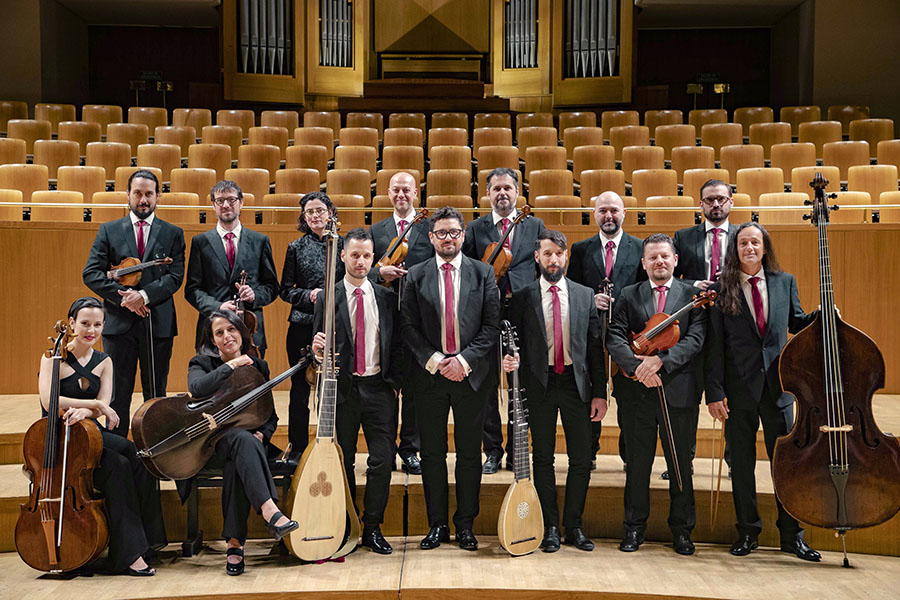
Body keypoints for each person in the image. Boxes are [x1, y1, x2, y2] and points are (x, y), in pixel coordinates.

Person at [705, 222, 821, 562]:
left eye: (755, 242)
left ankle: (792, 535)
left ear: (764, 247)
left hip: (779, 389)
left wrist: (823, 314)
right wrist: (714, 391)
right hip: (738, 391)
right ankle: (748, 531)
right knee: (741, 465)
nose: (749, 248)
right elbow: (714, 346)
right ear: (735, 249)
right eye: (743, 243)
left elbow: (796, 322)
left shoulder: (784, 282)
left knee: (787, 464)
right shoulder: (720, 287)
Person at [37, 297, 166, 575]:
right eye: (84, 323)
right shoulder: (53, 357)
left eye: (97, 324)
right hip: (59, 438)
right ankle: (130, 554)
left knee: (139, 456)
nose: (91, 330)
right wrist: (92, 406)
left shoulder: (104, 360)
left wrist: (89, 412)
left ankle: (148, 541)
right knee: (117, 467)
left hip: (88, 433)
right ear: (71, 324)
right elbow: (50, 401)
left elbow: (104, 402)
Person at [400, 206, 501, 551]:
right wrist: (436, 360)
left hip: (471, 377)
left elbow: (491, 327)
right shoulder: (414, 275)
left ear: (462, 235)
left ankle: (466, 525)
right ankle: (437, 525)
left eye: (454, 232)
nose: (448, 238)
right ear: (431, 237)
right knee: (432, 453)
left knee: (470, 453)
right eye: (441, 233)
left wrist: (464, 361)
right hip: (429, 377)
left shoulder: (483, 272)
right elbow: (408, 327)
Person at [503, 230, 606, 553]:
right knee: (543, 458)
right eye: (547, 253)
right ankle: (549, 526)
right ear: (537, 257)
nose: (553, 259)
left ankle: (573, 525)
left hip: (577, 386)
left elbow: (594, 349)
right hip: (540, 385)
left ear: (566, 257)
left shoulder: (584, 295)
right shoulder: (522, 296)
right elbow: (511, 346)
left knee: (580, 458)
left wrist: (600, 394)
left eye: (558, 254)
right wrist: (511, 367)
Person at [606, 233, 707, 556]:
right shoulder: (628, 293)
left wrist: (660, 362)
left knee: (680, 465)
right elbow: (615, 336)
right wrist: (637, 369)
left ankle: (682, 531)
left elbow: (695, 339)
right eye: (653, 258)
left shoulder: (693, 296)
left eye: (665, 256)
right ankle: (634, 529)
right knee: (637, 465)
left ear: (675, 259)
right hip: (637, 393)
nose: (659, 262)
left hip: (678, 391)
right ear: (644, 263)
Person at [184, 310, 299, 575]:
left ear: (241, 332)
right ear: (212, 340)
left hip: (245, 447)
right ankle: (270, 510)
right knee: (239, 440)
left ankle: (235, 544)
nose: (227, 336)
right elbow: (197, 388)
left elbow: (269, 413)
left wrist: (264, 434)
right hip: (209, 444)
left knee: (241, 448)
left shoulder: (259, 366)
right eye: (219, 333)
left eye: (231, 329)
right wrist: (231, 366)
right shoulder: (200, 362)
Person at [312, 228, 402, 555]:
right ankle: (348, 523)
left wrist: (394, 386)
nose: (361, 261)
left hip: (379, 389)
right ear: (342, 256)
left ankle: (372, 526)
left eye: (366, 256)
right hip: (343, 391)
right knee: (344, 460)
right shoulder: (327, 297)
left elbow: (398, 346)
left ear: (373, 258)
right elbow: (315, 349)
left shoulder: (387, 298)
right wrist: (315, 349)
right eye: (355, 255)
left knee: (382, 459)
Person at [82, 169, 185, 437]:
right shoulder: (109, 230)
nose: (143, 199)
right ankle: (119, 463)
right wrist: (125, 298)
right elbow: (91, 273)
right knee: (118, 396)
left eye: (149, 194)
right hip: (119, 325)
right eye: (137, 193)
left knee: (156, 396)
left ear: (157, 196)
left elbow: (175, 277)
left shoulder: (173, 233)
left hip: (157, 325)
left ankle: (156, 458)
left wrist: (145, 296)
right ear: (127, 195)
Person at [461, 167, 545, 474]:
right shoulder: (474, 228)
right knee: (485, 382)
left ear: (517, 191)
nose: (502, 193)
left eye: (508, 188)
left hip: (522, 309)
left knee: (520, 382)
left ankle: (517, 447)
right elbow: (468, 270)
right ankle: (493, 450)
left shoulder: (534, 224)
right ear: (487, 194)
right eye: (496, 188)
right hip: (486, 311)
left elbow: (539, 268)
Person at [568, 191, 645, 470]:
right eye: (602, 211)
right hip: (591, 334)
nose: (608, 216)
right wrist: (591, 299)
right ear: (594, 214)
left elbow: (646, 290)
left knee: (628, 396)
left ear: (624, 213)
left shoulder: (640, 247)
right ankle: (588, 453)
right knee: (591, 393)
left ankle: (630, 456)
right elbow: (572, 290)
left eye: (614, 210)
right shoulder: (579, 249)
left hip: (629, 335)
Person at [671, 178, 738, 481]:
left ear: (730, 202)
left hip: (734, 326)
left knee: (733, 396)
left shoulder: (744, 236)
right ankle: (683, 461)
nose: (715, 204)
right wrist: (691, 284)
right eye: (709, 199)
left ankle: (734, 458)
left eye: (721, 199)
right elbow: (671, 278)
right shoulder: (683, 237)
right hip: (694, 324)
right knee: (687, 399)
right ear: (700, 204)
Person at [369, 170, 433, 475]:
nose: (401, 195)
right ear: (388, 193)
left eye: (407, 190)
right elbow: (363, 270)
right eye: (395, 190)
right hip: (385, 322)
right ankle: (384, 449)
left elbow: (439, 267)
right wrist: (380, 273)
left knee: (416, 388)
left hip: (419, 319)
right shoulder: (376, 230)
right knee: (387, 387)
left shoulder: (430, 228)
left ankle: (410, 449)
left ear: (416, 193)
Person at [279, 191, 344, 460]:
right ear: (304, 217)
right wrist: (309, 296)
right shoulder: (295, 247)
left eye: (320, 210)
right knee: (300, 387)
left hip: (338, 324)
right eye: (310, 212)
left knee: (336, 386)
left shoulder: (344, 244)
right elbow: (285, 291)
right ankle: (297, 446)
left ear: (330, 212)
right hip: (303, 325)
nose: (316, 216)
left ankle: (335, 443)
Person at [184, 180, 279, 356]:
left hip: (250, 333)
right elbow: (192, 290)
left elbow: (272, 287)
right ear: (213, 205)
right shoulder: (200, 242)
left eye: (231, 200)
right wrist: (217, 306)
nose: (226, 205)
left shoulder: (260, 241)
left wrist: (255, 295)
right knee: (213, 383)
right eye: (220, 201)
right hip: (212, 331)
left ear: (241, 203)